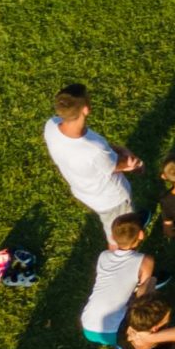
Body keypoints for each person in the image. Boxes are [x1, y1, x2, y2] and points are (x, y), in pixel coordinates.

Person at [44, 84, 141, 239]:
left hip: (84, 191)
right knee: (121, 237)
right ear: (85, 109)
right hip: (111, 199)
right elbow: (115, 165)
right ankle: (120, 259)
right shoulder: (93, 149)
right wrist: (131, 162)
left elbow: (105, 154)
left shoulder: (51, 125)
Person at [82, 215, 157, 347]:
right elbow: (143, 294)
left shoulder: (103, 255)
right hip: (114, 332)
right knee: (151, 282)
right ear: (140, 235)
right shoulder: (146, 261)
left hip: (87, 326)